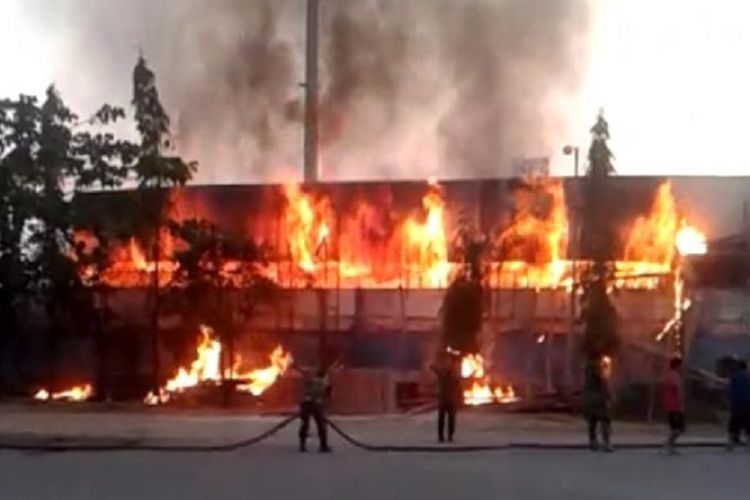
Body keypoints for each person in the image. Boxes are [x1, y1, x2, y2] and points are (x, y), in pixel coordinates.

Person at [296, 362, 340, 453]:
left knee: (304, 425)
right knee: (321, 425)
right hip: (316, 404)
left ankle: (302, 445)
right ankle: (323, 446)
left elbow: (305, 389)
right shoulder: (325, 382)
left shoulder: (311, 380)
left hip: (306, 404)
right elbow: (328, 394)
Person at [583, 356, 613, 452]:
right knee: (605, 420)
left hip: (590, 399)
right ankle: (606, 443)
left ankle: (593, 442)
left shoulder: (588, 372)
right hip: (599, 400)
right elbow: (604, 383)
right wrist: (609, 396)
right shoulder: (599, 370)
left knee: (592, 422)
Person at [432, 352, 462, 443]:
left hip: (446, 401)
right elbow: (436, 370)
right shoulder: (450, 377)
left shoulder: (446, 376)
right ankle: (447, 436)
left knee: (447, 421)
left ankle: (446, 436)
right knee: (447, 421)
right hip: (447, 401)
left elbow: (435, 370)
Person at [662, 356, 685, 455]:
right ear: (677, 366)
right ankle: (668, 443)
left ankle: (671, 447)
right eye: (681, 365)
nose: (682, 367)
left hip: (669, 404)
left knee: (674, 427)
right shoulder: (675, 376)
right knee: (678, 428)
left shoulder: (667, 375)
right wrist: (681, 404)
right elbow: (678, 390)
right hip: (675, 405)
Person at [728, 359, 750, 450]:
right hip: (747, 404)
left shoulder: (734, 377)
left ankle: (730, 444)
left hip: (736, 404)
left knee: (734, 424)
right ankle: (748, 443)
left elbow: (731, 390)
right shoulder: (748, 377)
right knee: (748, 425)